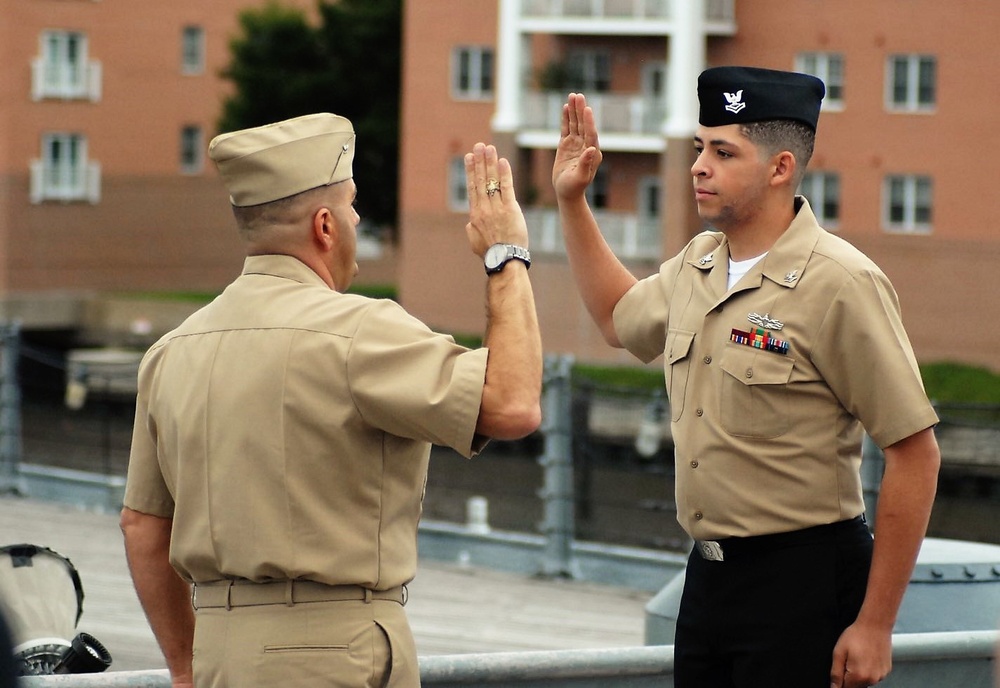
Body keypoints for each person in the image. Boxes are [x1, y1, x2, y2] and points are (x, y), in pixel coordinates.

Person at [120, 112, 542, 688]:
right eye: (351, 207)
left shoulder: (172, 350)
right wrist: (505, 255)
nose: (356, 220)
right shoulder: (359, 332)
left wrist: (187, 668)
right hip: (334, 651)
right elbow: (513, 405)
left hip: (221, 654)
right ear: (325, 226)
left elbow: (144, 527)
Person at [552, 67, 941, 688]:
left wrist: (876, 625)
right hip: (707, 581)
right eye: (699, 148)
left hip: (805, 584)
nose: (698, 166)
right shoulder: (700, 263)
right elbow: (616, 320)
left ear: (780, 168)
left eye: (723, 151)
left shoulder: (841, 283)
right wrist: (572, 200)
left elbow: (915, 454)